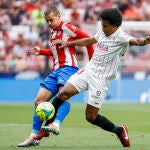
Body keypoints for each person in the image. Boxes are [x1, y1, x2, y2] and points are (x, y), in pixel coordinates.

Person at [41, 8, 150, 147]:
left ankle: (119, 130)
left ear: (115, 27)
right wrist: (68, 44)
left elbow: (137, 41)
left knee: (90, 117)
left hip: (100, 80)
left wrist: (146, 41)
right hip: (88, 71)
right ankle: (47, 127)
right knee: (63, 93)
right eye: (102, 25)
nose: (102, 28)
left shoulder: (122, 37)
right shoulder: (102, 33)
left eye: (105, 26)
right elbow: (88, 40)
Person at [17, 5, 94, 147]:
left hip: (68, 68)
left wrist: (92, 62)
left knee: (63, 94)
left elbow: (88, 40)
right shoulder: (52, 32)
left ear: (59, 16)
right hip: (56, 70)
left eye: (51, 20)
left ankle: (56, 124)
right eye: (47, 21)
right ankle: (34, 136)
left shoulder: (67, 27)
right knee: (38, 101)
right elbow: (55, 52)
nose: (49, 23)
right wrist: (42, 51)